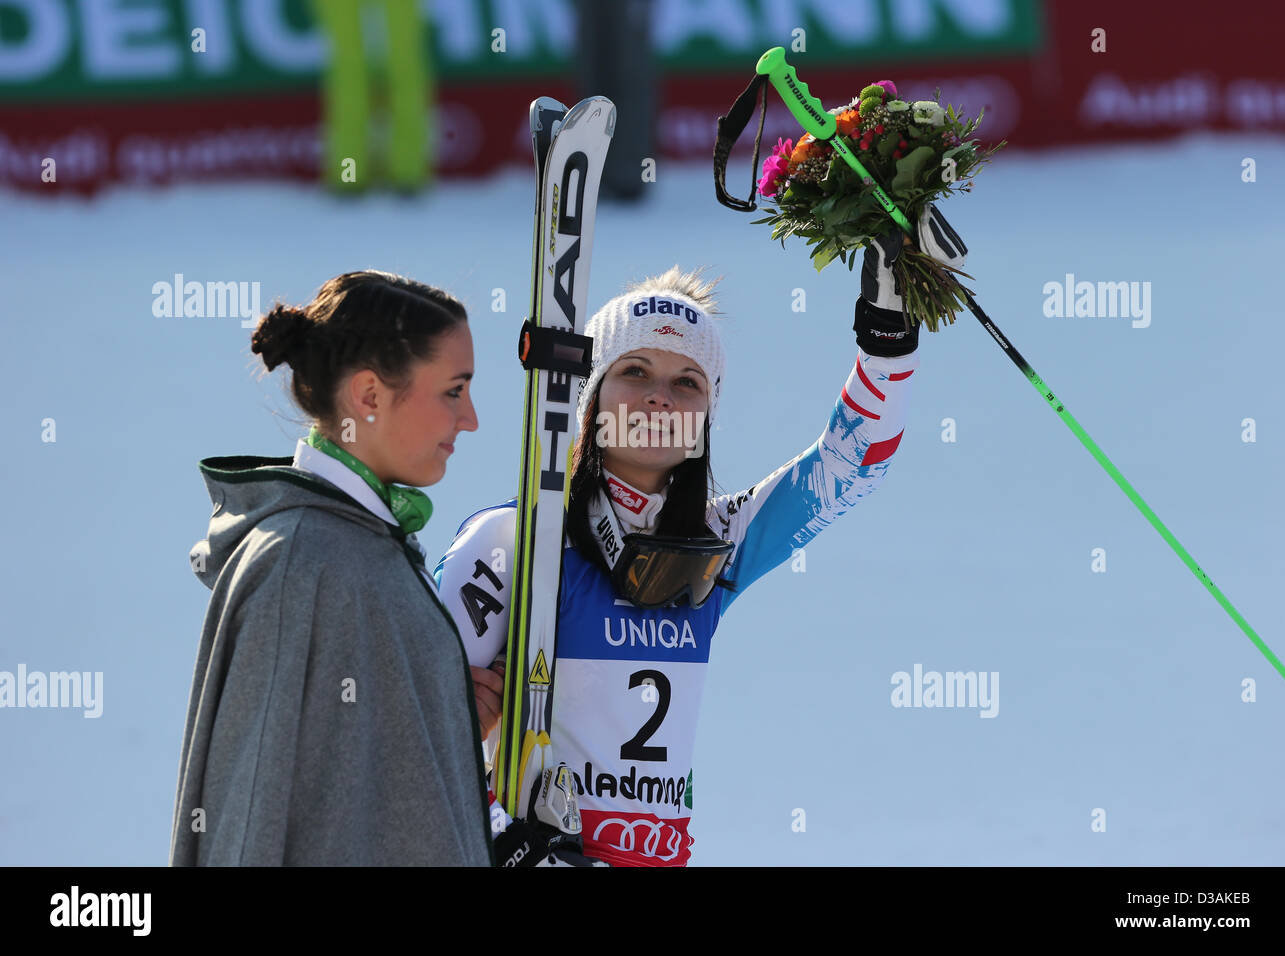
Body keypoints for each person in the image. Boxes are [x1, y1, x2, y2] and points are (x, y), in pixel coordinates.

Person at [435, 207, 968, 866]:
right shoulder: (512, 541)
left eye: (686, 382)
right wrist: (501, 838)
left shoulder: (719, 541)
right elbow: (412, 726)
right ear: (590, 398)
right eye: (634, 371)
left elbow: (851, 464)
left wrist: (886, 337)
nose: (660, 397)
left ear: (705, 418)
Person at [170, 270, 492, 866]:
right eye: (453, 390)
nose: (470, 418)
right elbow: (245, 824)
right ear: (369, 397)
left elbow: (341, 778)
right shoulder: (300, 562)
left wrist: (437, 720)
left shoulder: (362, 541)